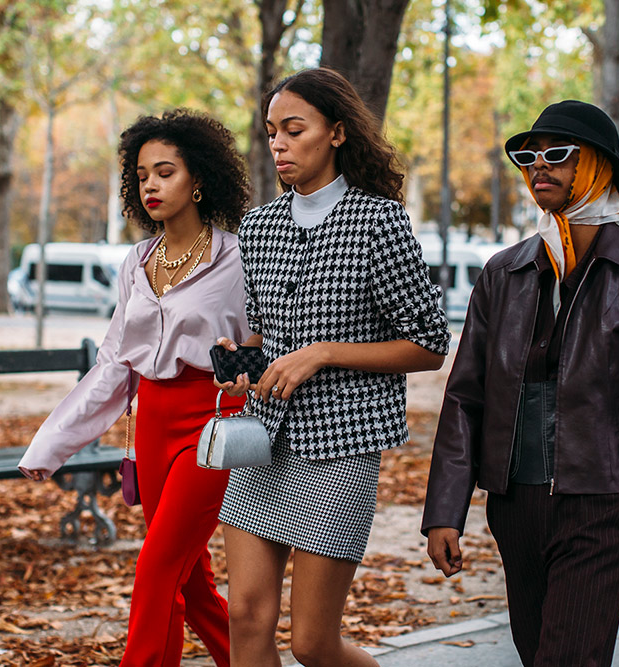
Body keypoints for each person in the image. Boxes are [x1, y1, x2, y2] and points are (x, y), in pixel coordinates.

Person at [423, 100, 619, 666]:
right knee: (539, 656)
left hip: (599, 503)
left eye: (558, 155)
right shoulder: (503, 273)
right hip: (514, 506)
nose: (539, 167)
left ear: (600, 167)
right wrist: (444, 510)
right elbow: (464, 397)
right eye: (527, 156)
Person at [216, 67, 450, 667]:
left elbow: (427, 344)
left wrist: (322, 353)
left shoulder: (379, 222)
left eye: (294, 130)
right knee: (244, 616)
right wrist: (240, 360)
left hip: (340, 451)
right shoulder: (258, 226)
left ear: (337, 133)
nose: (279, 145)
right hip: (261, 443)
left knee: (313, 644)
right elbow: (265, 336)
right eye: (272, 132)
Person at [18, 109, 252, 666]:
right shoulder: (136, 261)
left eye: (165, 172)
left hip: (213, 423)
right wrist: (53, 443)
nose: (151, 184)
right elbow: (114, 365)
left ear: (198, 180)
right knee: (189, 583)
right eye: (143, 174)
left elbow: (266, 345)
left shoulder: (239, 257)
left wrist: (246, 362)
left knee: (156, 569)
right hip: (151, 425)